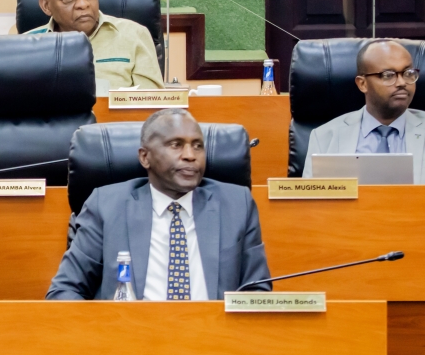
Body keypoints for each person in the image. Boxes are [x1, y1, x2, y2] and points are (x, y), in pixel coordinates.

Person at [47, 109, 270, 300]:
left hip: (213, 340)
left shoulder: (237, 204)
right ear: (145, 157)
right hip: (128, 339)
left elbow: (257, 292)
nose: (190, 156)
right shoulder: (106, 205)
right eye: (176, 145)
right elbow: (64, 290)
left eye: (198, 146)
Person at [303, 39, 425, 184]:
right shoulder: (325, 136)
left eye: (408, 73)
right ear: (362, 84)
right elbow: (309, 205)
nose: (401, 82)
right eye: (388, 75)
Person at [25, 0, 164, 89]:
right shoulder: (26, 46)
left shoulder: (134, 34)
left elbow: (151, 104)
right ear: (46, 6)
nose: (83, 4)